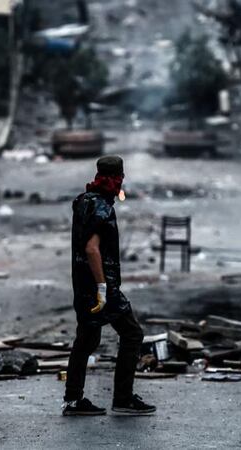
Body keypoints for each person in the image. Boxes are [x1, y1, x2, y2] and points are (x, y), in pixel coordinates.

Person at [62, 155, 156, 416]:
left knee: (86, 340)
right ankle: (123, 398)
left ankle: (72, 400)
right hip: (102, 287)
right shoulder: (101, 206)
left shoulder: (83, 201)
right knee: (132, 334)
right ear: (118, 177)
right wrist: (103, 287)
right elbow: (92, 249)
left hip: (82, 285)